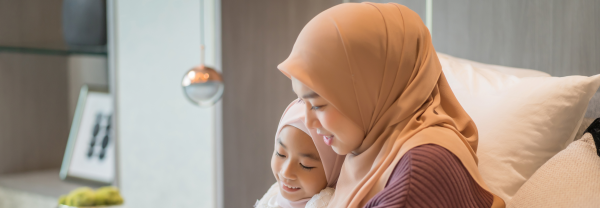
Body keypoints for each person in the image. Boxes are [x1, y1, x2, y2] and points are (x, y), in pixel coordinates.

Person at [277, 2, 505, 208]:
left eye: (317, 105)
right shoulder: (370, 151)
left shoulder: (416, 174)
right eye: (301, 100)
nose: (308, 121)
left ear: (370, 91)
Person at [255, 100, 344, 208]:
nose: (286, 173)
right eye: (281, 154)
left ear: (334, 170)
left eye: (305, 165)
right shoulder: (272, 195)